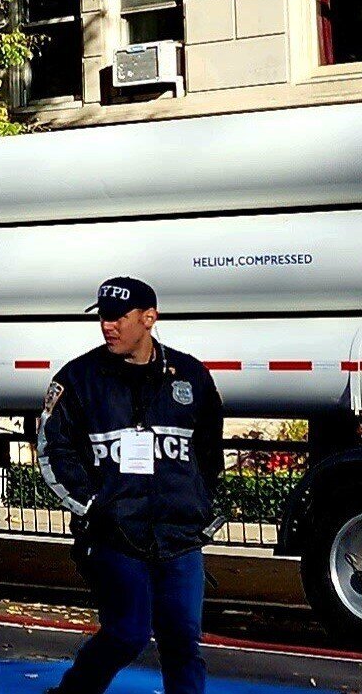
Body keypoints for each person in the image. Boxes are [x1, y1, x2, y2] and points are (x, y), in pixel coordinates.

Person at [39, 277, 226, 694]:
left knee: (183, 642)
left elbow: (210, 449)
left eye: (118, 317)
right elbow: (54, 452)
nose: (108, 326)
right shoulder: (78, 378)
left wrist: (199, 503)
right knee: (127, 634)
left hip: (179, 537)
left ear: (149, 318)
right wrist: (96, 506)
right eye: (103, 317)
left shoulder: (191, 375)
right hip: (116, 536)